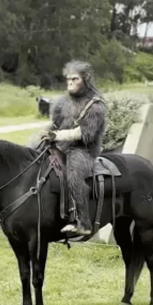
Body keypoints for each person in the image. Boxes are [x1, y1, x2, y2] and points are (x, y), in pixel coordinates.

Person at [38, 60, 107, 235]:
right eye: (68, 79)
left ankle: (83, 223)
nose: (70, 83)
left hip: (83, 149)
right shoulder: (61, 102)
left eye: (75, 79)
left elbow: (85, 134)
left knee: (74, 173)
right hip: (60, 145)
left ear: (86, 79)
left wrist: (58, 135)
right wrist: (48, 134)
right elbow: (55, 124)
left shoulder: (95, 105)